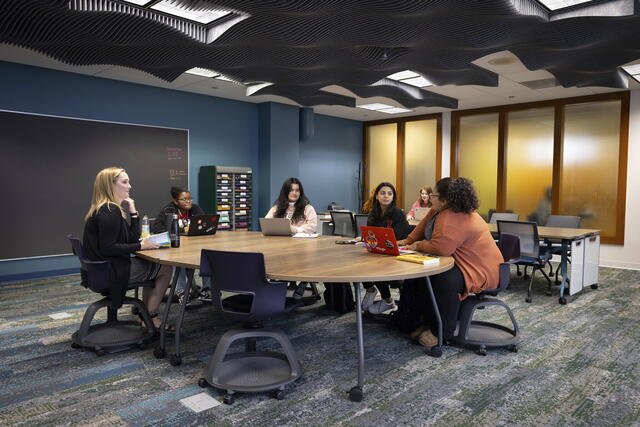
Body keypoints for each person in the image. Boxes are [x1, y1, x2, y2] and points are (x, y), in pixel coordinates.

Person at [398, 177, 503, 347]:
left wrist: (418, 245)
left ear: (445, 201)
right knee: (419, 275)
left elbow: (442, 248)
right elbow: (418, 232)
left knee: (444, 279)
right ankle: (413, 322)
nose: (430, 197)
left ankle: (442, 332)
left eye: (434, 195)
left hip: (482, 268)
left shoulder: (455, 216)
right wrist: (405, 242)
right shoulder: (437, 210)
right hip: (463, 262)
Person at [83, 167, 173, 330]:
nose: (129, 186)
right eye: (125, 182)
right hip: (111, 272)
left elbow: (131, 238)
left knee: (153, 267)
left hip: (102, 270)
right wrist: (141, 245)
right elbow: (108, 248)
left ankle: (145, 314)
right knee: (165, 267)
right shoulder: (109, 211)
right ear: (110, 186)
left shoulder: (108, 208)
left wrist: (133, 212)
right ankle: (150, 317)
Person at [359, 182, 411, 314]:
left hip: (398, 253)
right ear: (376, 196)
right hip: (379, 251)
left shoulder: (398, 214)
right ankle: (370, 289)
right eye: (382, 193)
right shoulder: (373, 214)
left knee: (376, 267)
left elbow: (397, 238)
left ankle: (388, 301)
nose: (386, 196)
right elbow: (371, 234)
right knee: (361, 263)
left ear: (393, 197)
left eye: (390, 193)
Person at [152, 187, 210, 302]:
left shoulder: (195, 209)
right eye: (184, 199)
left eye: (189, 198)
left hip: (193, 245)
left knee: (207, 257)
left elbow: (204, 224)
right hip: (176, 246)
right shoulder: (168, 210)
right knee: (179, 262)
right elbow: (157, 227)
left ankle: (207, 291)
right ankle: (182, 293)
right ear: (176, 201)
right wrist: (180, 230)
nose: (188, 201)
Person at [265, 177, 318, 297]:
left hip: (302, 248)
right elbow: (267, 221)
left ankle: (302, 283)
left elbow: (312, 226)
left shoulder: (307, 208)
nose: (294, 193)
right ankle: (277, 284)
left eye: (297, 190)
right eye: (291, 190)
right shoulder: (277, 208)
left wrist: (296, 229)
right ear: (285, 192)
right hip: (281, 248)